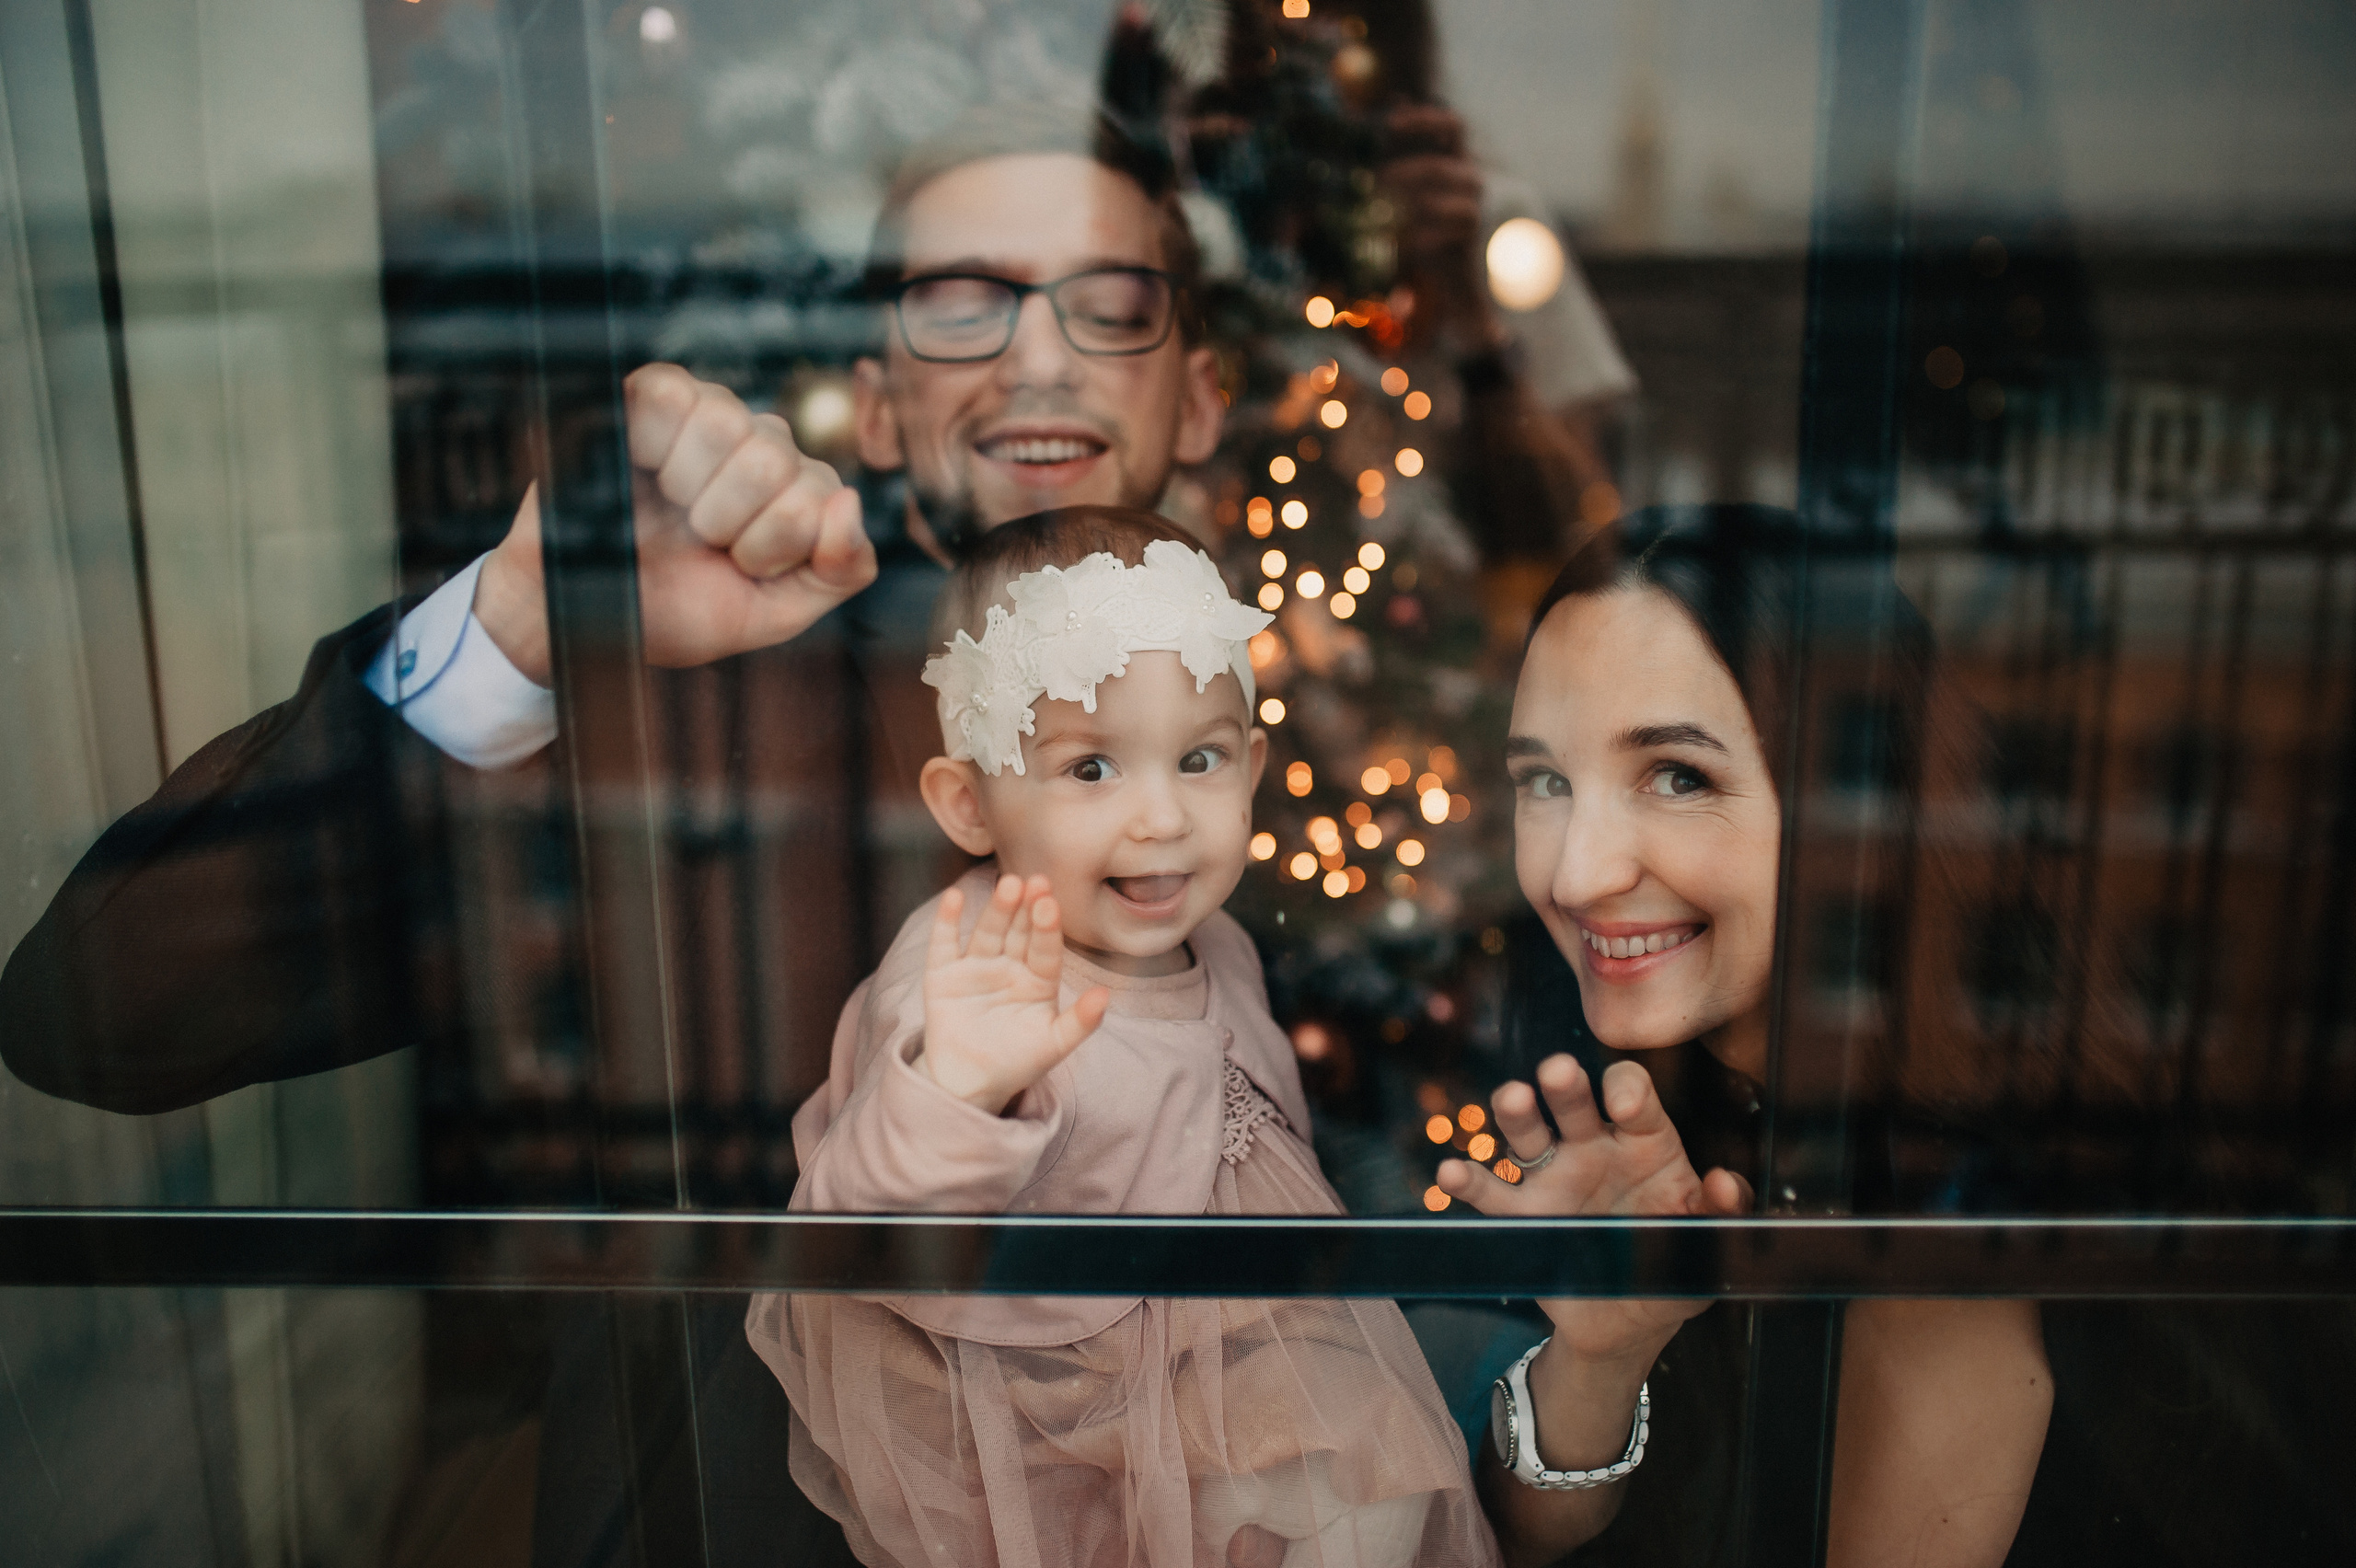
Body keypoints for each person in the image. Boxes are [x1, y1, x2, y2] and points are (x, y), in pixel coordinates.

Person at [0, 105, 1224, 1568]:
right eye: (962, 302)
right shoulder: (693, 717)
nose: (1037, 355)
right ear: (878, 403)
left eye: (1110, 303)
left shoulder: (1349, 774)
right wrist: (518, 620)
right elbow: (100, 1012)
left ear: (1203, 397)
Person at [745, 505, 1497, 1568]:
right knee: (1338, 1484)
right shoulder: (967, 972)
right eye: (1091, 769)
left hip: (1243, 1351)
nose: (1160, 818)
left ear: (1252, 765)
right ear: (968, 804)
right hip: (1060, 1406)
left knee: (1369, 1499)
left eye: (1199, 759)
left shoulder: (1220, 944)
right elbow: (850, 1227)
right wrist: (952, 1087)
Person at [1434, 504, 2060, 1565]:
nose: (1576, 873)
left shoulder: (1943, 1237)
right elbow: (1515, 1540)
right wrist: (1598, 1357)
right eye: (1544, 780)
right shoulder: (1669, 1101)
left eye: (1677, 777)